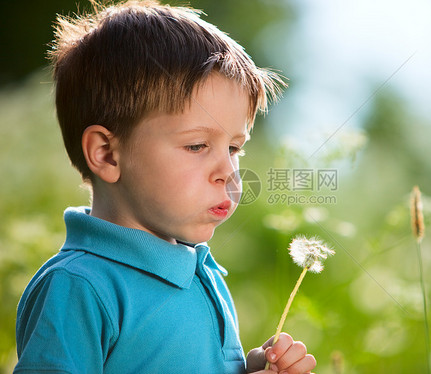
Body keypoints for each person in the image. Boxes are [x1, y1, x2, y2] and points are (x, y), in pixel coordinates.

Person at [14, 1, 316, 373]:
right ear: (108, 154)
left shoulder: (202, 272)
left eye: (235, 148)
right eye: (196, 146)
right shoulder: (79, 288)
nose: (228, 171)